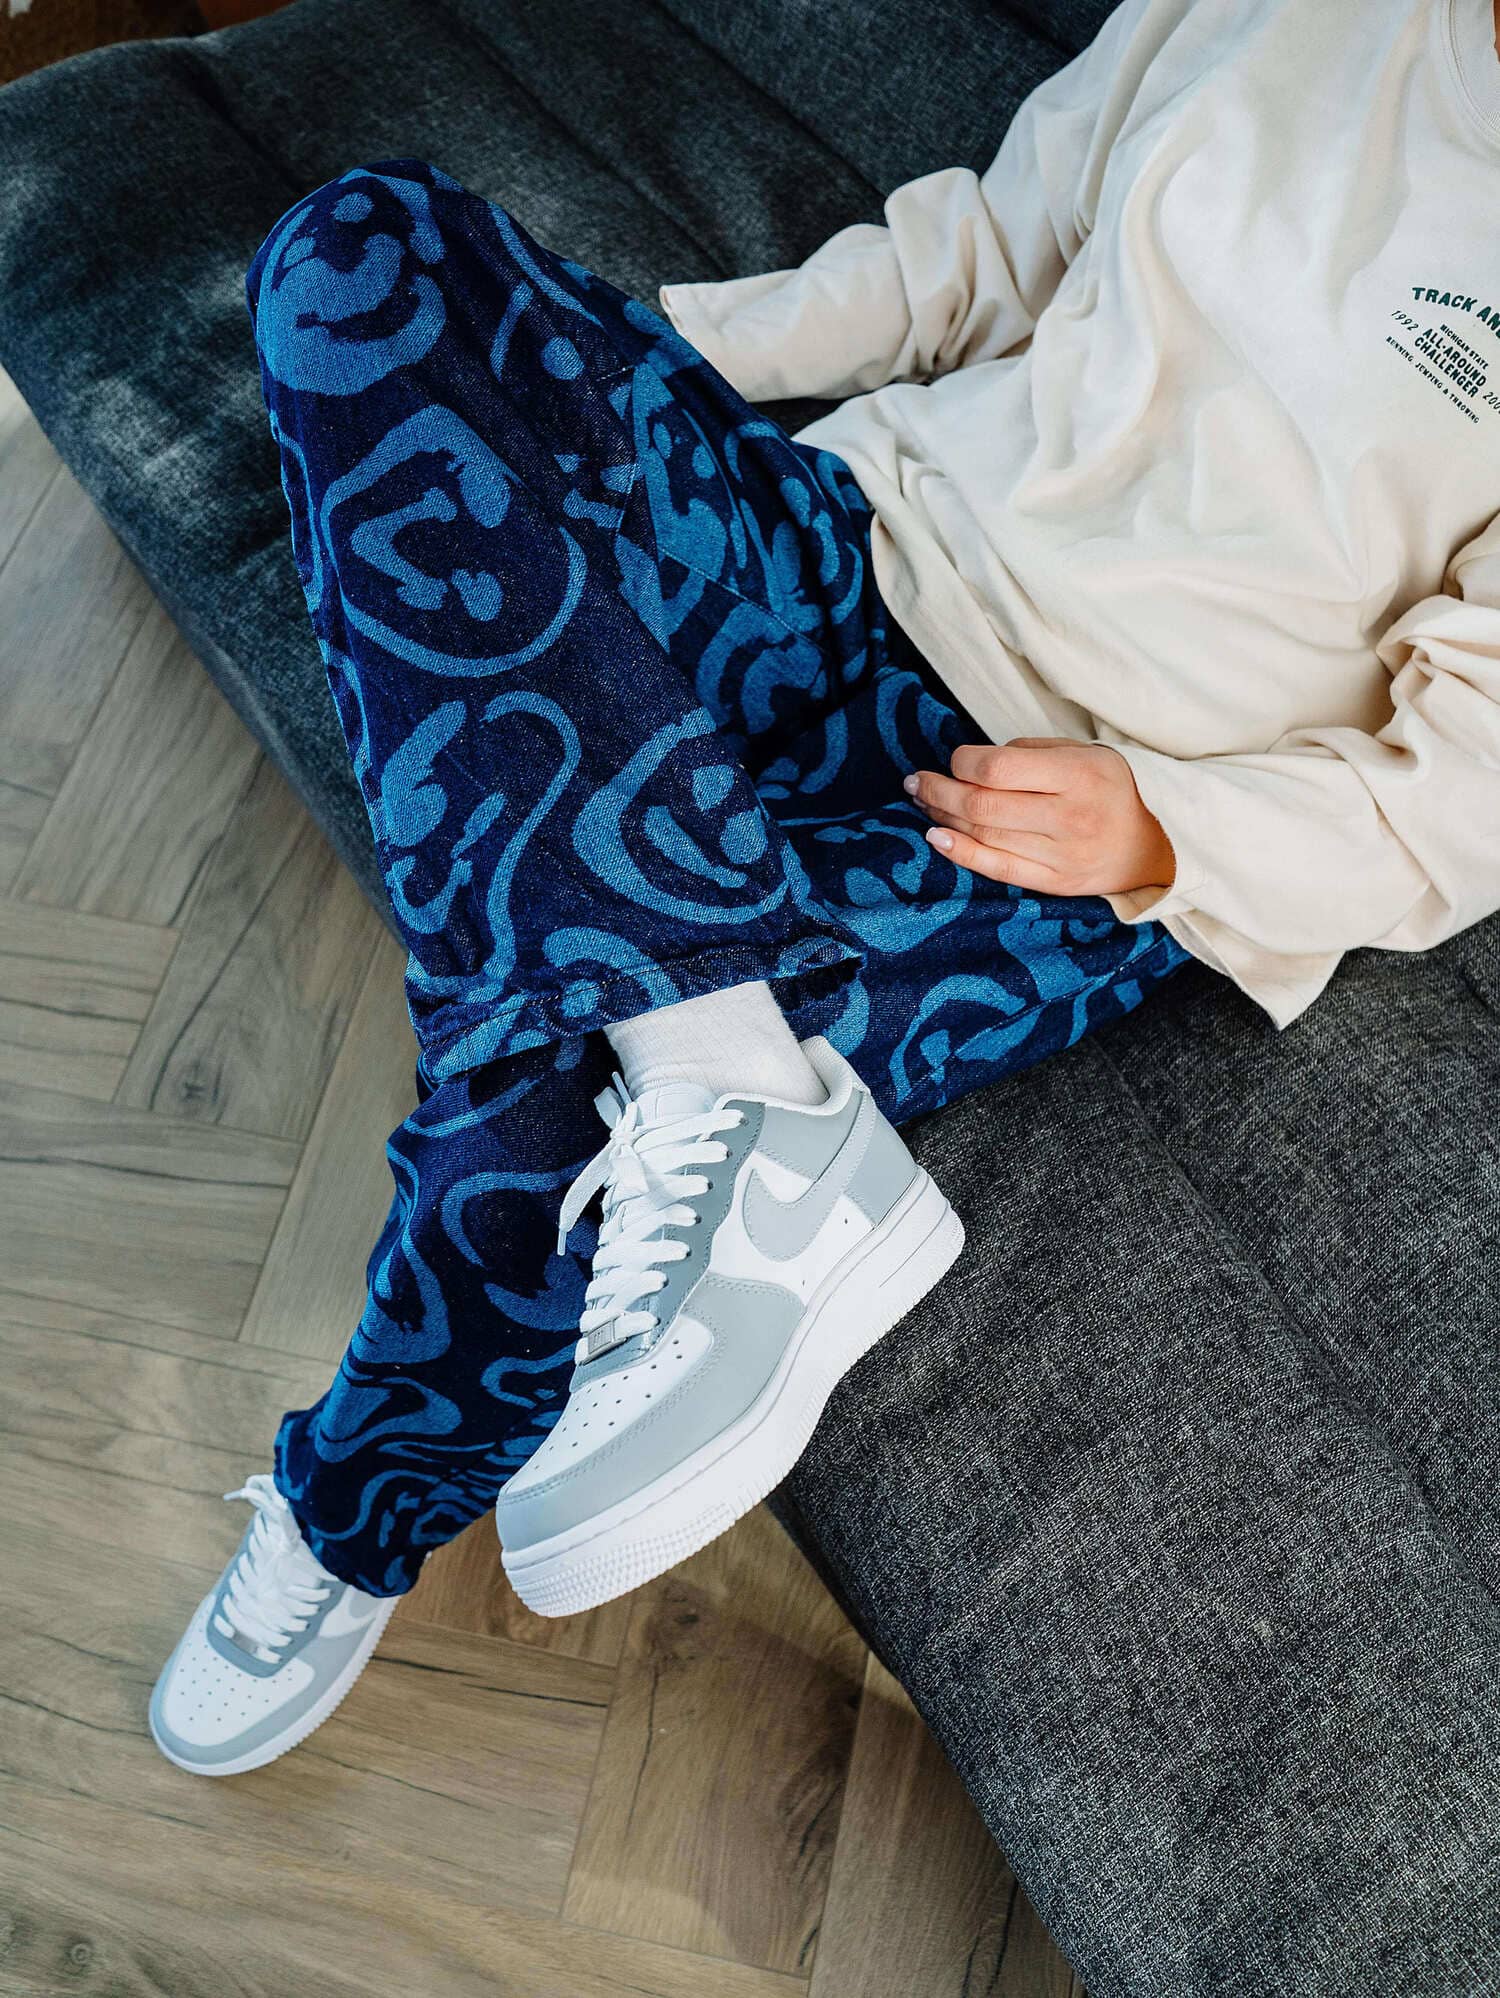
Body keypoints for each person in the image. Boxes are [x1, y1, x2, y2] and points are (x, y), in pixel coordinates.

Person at [150, 0, 1500, 1777]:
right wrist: (621, 367)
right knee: (358, 252)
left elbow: (1466, 782)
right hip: (844, 538)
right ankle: (727, 1074)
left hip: (1056, 806)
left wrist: (1169, 833)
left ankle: (351, 1510)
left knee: (547, 1034)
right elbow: (986, 251)